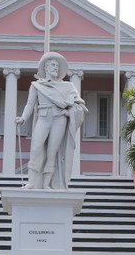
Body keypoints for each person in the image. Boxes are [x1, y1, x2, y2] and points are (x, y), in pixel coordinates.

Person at [15, 52, 87, 189]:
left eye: (57, 66)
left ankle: (48, 183)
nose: (56, 68)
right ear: (46, 68)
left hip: (59, 119)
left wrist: (68, 112)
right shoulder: (36, 85)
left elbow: (80, 106)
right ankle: (31, 182)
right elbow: (30, 104)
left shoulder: (68, 87)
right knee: (36, 148)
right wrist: (23, 118)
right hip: (43, 117)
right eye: (53, 65)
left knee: (52, 152)